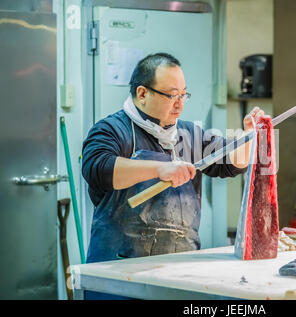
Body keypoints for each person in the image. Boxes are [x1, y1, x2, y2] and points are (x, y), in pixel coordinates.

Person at [81, 52, 265, 299]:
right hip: (117, 276)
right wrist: (160, 168)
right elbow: (98, 168)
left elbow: (229, 163)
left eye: (183, 95)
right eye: (171, 95)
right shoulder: (112, 130)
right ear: (142, 93)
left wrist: (247, 137)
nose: (179, 103)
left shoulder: (189, 134)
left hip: (177, 274)